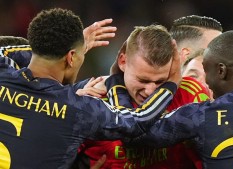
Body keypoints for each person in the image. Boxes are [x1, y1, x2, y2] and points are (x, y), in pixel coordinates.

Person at [0, 8, 181, 169]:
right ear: (71, 57)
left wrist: (63, 47)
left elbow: (5, 51)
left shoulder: (3, 72)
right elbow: (138, 121)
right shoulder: (78, 108)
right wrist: (171, 82)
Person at [125, 30, 233, 169]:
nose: (205, 82)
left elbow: (133, 131)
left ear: (221, 71)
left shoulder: (203, 115)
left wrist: (115, 85)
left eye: (206, 71)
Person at [74, 25, 210, 169]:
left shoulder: (191, 93)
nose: (150, 91)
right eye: (143, 80)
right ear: (122, 62)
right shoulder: (93, 100)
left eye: (160, 82)